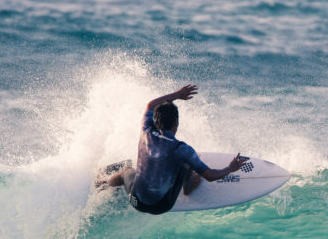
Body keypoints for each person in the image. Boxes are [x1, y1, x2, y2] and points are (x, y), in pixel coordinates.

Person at [104, 84, 248, 215]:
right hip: (161, 206)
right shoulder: (182, 149)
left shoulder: (146, 130)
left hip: (135, 200)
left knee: (126, 171)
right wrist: (230, 168)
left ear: (155, 118)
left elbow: (150, 104)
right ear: (176, 123)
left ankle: (104, 186)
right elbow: (210, 176)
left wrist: (177, 95)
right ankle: (189, 185)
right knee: (188, 161)